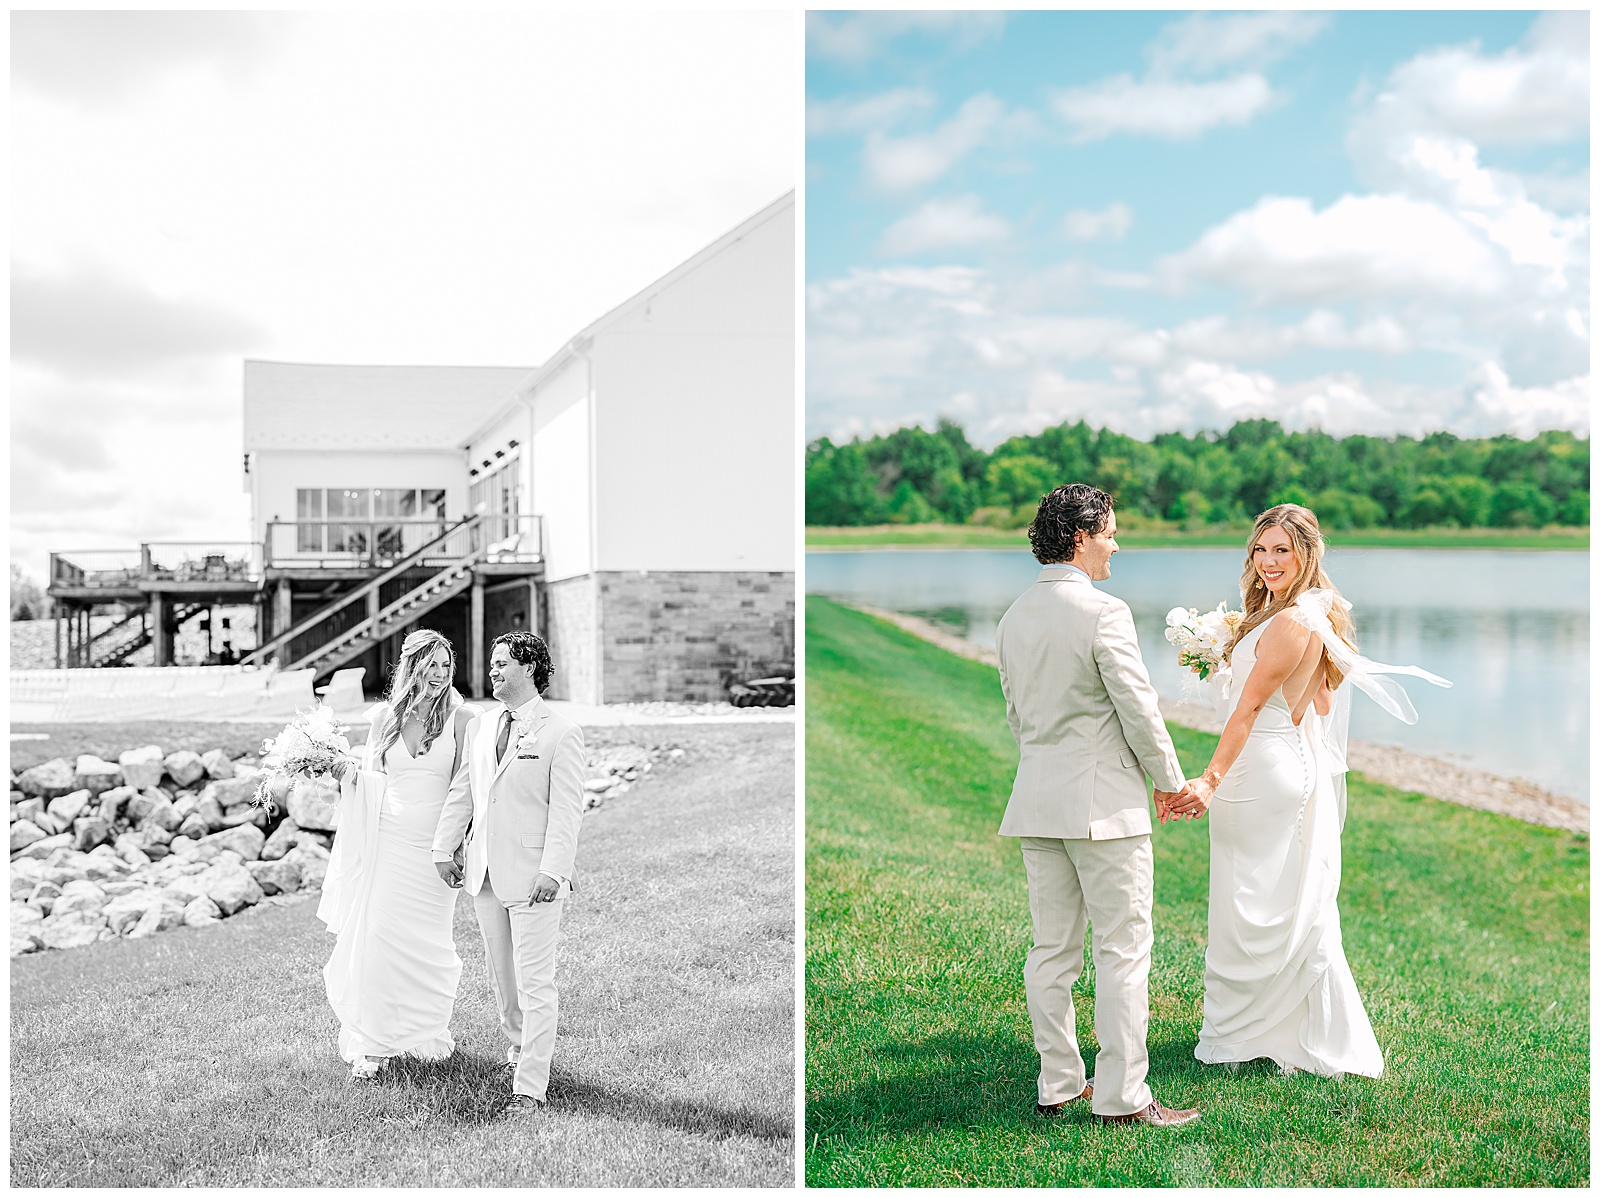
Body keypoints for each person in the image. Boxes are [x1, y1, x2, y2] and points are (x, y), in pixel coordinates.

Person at [1174, 504, 1449, 1078]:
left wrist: (1209, 778)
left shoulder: (1296, 619)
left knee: (1251, 902)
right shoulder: (1297, 613)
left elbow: (1250, 707)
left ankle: (1252, 1035)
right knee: (1260, 899)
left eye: (1283, 550)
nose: (1269, 561)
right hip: (1280, 759)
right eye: (1261, 549)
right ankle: (1272, 1031)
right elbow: (1320, 703)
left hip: (1259, 768)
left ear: (1307, 554)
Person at [994, 483, 1201, 1128]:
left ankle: (1058, 1085)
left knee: (1051, 951)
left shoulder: (1012, 617)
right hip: (1104, 808)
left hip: (1037, 798)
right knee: (1122, 949)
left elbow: (1017, 716)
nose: (1118, 543)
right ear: (1081, 538)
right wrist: (1169, 783)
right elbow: (1139, 709)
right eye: (1111, 531)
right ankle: (1123, 1098)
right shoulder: (1104, 612)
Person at [431, 631, 587, 1114]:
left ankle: (531, 1087)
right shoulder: (480, 726)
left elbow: (567, 812)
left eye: (503, 663)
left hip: (535, 877)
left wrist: (554, 871)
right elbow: (465, 791)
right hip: (484, 875)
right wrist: (444, 847)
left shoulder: (561, 731)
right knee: (504, 978)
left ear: (530, 668)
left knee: (537, 982)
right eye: (493, 663)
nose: (493, 670)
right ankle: (517, 1049)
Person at [318, 628, 476, 1079]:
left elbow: (464, 789)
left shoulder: (463, 720)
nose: (440, 676)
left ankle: (425, 1033)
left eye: (447, 667)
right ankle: (374, 1043)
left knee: (430, 943)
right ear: (412, 668)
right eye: (431, 667)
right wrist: (341, 772)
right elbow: (370, 781)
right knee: (378, 939)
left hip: (435, 849)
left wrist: (452, 844)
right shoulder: (383, 718)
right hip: (386, 842)